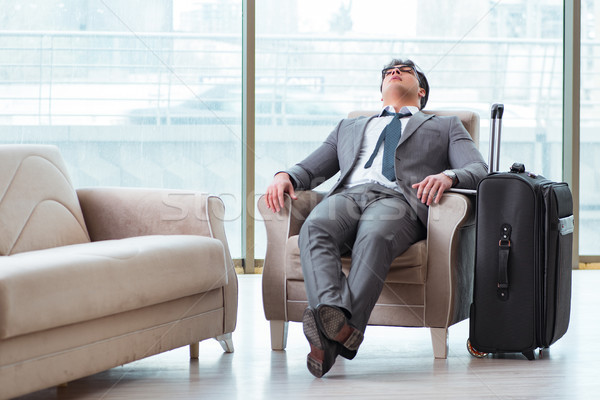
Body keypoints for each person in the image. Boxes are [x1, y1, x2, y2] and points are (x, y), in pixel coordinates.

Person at [264, 58, 488, 378]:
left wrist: (449, 177)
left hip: (399, 201)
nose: (394, 73)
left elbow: (479, 170)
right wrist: (284, 175)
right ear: (380, 93)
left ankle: (333, 333)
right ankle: (342, 330)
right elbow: (313, 167)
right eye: (387, 73)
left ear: (421, 91)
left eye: (405, 71)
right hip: (348, 197)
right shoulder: (349, 126)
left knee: (375, 235)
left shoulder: (445, 125)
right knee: (314, 228)